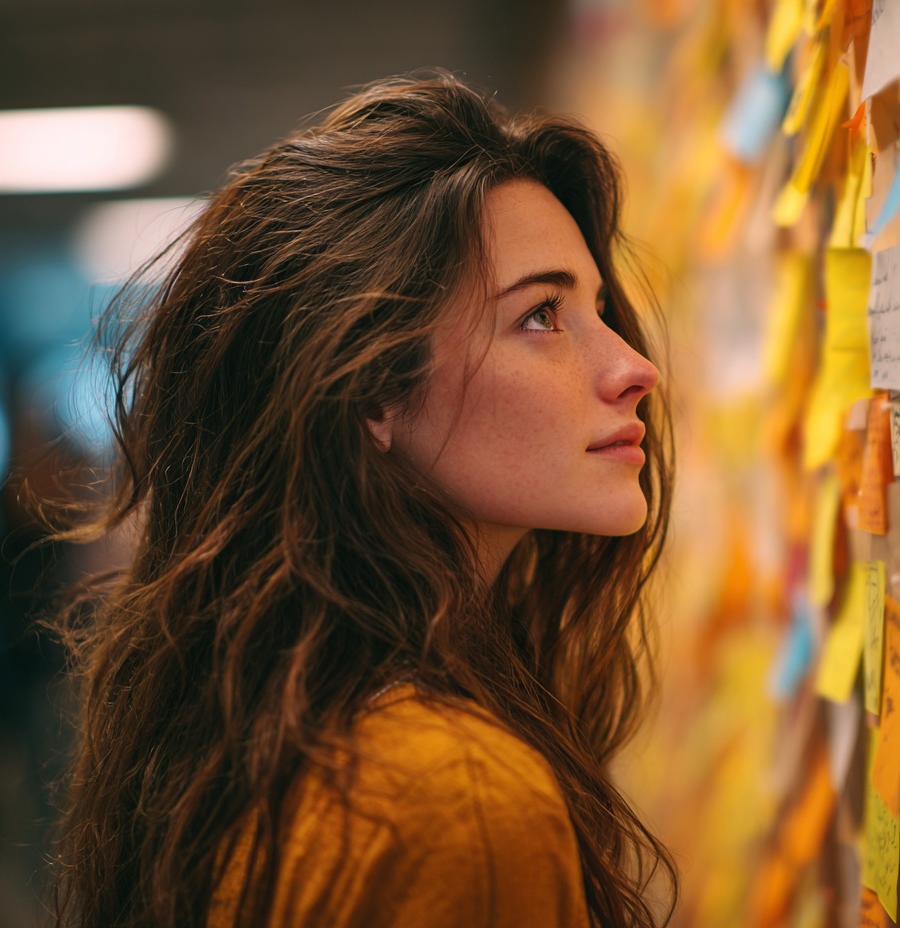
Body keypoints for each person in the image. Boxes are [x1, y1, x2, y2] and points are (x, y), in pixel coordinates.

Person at [47, 71, 676, 928]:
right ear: (374, 392)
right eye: (542, 316)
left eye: (598, 308)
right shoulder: (456, 801)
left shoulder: (259, 723)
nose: (633, 368)